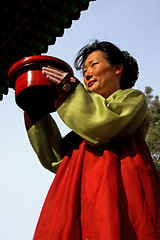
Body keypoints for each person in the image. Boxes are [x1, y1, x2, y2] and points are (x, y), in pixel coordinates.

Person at [24, 40, 160, 239]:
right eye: (84, 70)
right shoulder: (80, 129)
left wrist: (70, 89)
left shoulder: (132, 99)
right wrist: (36, 112)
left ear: (117, 68)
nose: (87, 74)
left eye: (94, 64)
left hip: (121, 196)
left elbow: (101, 126)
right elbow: (56, 160)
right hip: (78, 198)